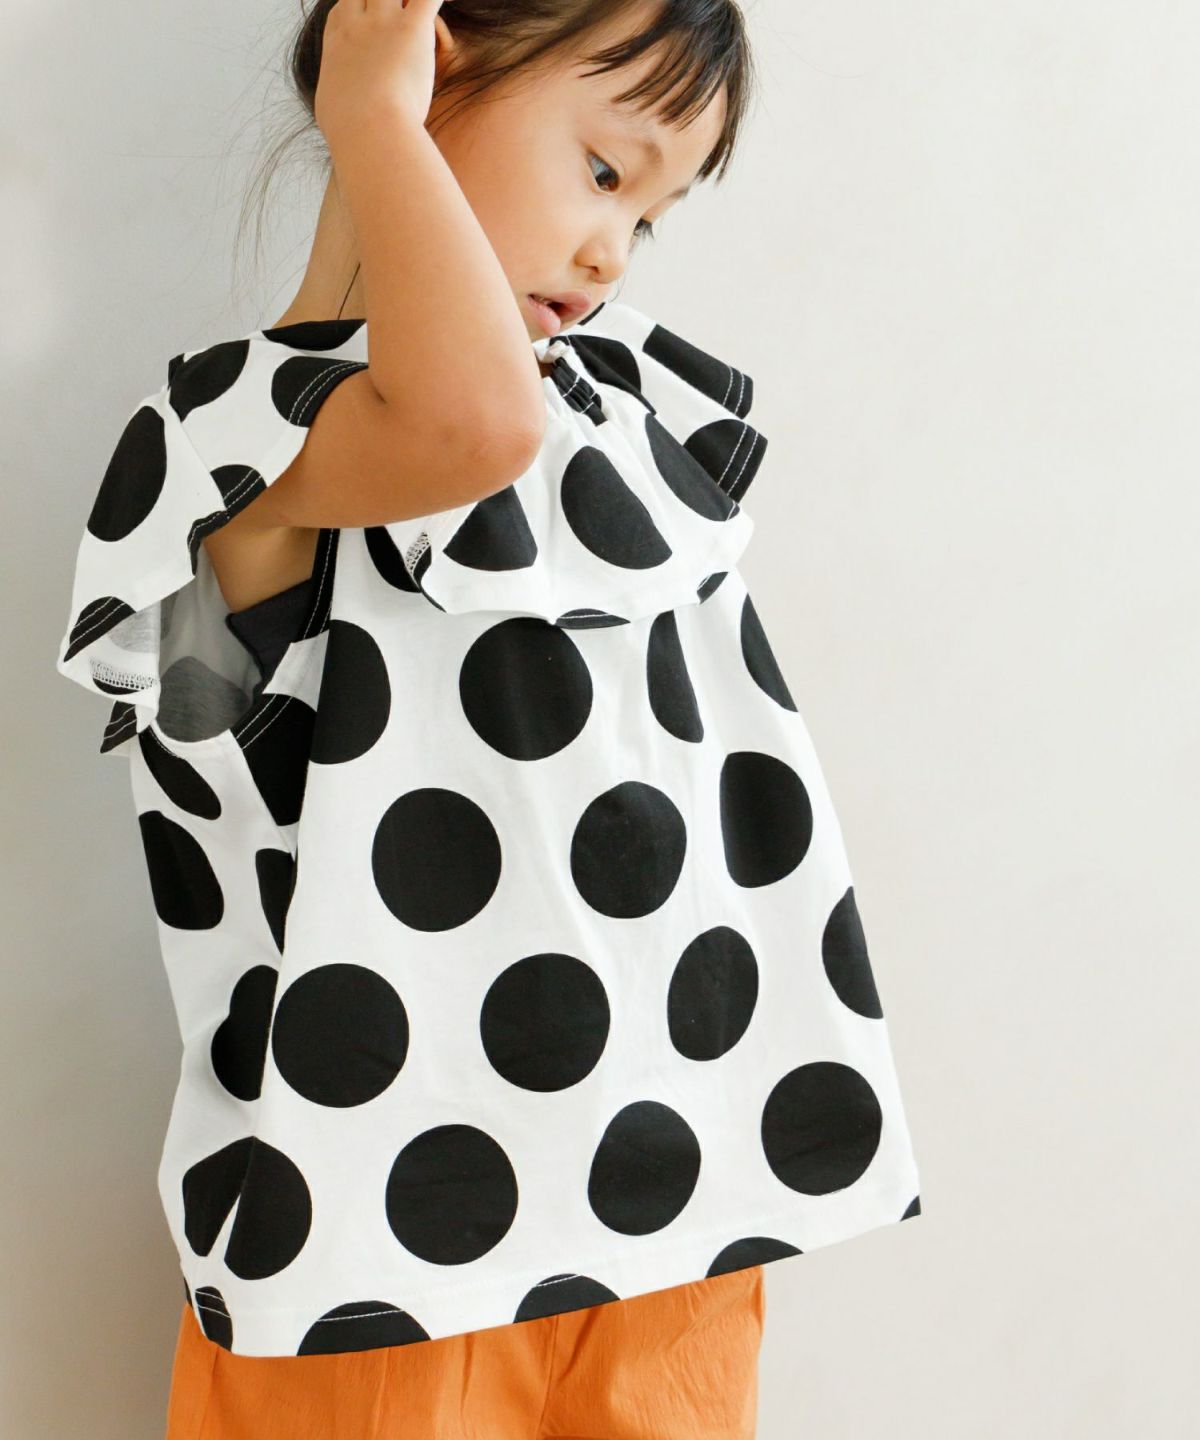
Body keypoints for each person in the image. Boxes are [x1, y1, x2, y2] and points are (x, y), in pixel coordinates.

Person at [54, 1, 924, 1435]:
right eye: (603, 171)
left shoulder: (612, 420)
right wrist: (370, 118)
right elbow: (463, 428)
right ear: (423, 62)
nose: (612, 252)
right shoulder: (228, 444)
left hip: (671, 1217)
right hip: (380, 1258)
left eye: (649, 218)